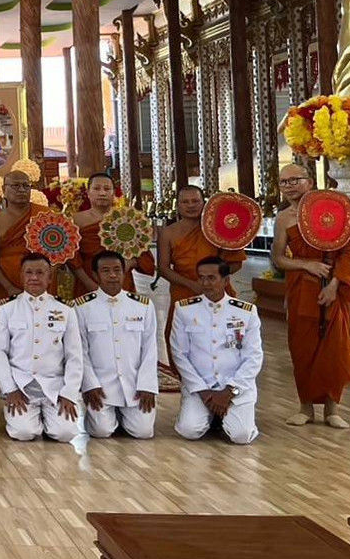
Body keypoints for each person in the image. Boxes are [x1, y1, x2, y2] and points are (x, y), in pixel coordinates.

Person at [271, 164, 350, 427]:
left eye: (296, 180)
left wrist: (334, 284)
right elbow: (278, 259)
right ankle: (305, 408)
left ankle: (332, 410)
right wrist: (306, 265)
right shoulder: (283, 218)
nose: (290, 185)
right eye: (284, 182)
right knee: (302, 347)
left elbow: (347, 252)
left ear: (311, 181)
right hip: (302, 286)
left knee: (335, 348)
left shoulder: (334, 208)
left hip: (334, 288)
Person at [170, 258, 263, 445]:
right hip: (201, 387)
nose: (205, 283)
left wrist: (230, 390)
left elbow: (253, 357)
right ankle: (212, 417)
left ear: (226, 280)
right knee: (190, 430)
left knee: (241, 436)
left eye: (211, 278)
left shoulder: (246, 312)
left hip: (236, 388)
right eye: (201, 278)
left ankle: (223, 417)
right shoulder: (184, 310)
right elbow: (179, 354)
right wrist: (203, 391)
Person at [0, 253, 83, 443]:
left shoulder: (65, 310)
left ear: (50, 278)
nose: (34, 277)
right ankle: (34, 419)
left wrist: (69, 393)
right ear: (21, 277)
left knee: (65, 434)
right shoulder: (7, 309)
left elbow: (74, 355)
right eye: (29, 273)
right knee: (23, 433)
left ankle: (49, 418)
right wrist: (10, 389)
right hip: (21, 386)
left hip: (54, 388)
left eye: (40, 273)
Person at [158, 184, 246, 366]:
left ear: (204, 202)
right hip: (184, 290)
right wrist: (192, 285)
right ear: (178, 205)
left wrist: (215, 280)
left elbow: (235, 262)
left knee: (224, 341)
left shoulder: (219, 228)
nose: (191, 205)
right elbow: (163, 268)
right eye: (185, 201)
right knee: (181, 340)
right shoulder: (168, 233)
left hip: (218, 293)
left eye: (195, 201)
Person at [76, 251, 158, 440]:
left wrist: (147, 385)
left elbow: (150, 348)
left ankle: (123, 415)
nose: (112, 275)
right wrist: (89, 385)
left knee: (143, 432)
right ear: (95, 275)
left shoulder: (143, 306)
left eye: (117, 270)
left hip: (134, 384)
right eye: (105, 271)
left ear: (124, 272)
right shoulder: (82, 307)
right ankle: (104, 416)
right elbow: (80, 351)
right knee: (101, 432)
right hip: (101, 386)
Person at [71, 173, 154, 292]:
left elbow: (143, 253)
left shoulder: (127, 219)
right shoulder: (76, 220)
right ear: (88, 193)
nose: (102, 193)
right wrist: (89, 283)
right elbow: (72, 258)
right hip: (89, 280)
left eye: (107, 189)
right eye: (96, 188)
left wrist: (130, 262)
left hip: (121, 280)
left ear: (114, 193)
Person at [0, 170, 34, 302]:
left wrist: (46, 279)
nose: (22, 190)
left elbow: (57, 253)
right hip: (6, 281)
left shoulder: (44, 215)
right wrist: (8, 287)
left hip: (40, 281)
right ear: (3, 189)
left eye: (26, 186)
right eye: (16, 186)